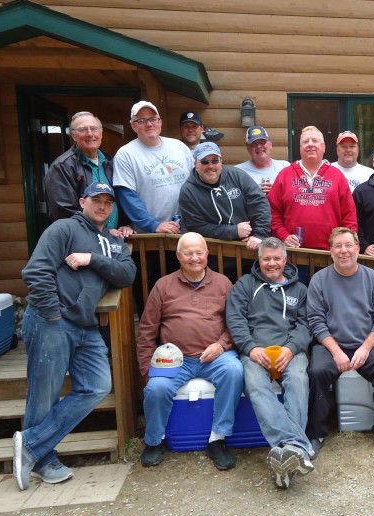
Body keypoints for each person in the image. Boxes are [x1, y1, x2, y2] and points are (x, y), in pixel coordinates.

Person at [14, 182, 136, 491]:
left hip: (86, 325)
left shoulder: (116, 242)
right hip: (50, 320)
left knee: (97, 386)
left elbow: (127, 274)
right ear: (82, 201)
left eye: (108, 202)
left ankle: (31, 443)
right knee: (45, 393)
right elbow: (36, 271)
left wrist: (92, 259)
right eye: (96, 200)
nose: (102, 206)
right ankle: (44, 460)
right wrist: (52, 312)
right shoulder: (63, 229)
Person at [136, 232, 243, 470]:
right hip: (174, 360)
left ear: (207, 254)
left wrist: (221, 345)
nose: (194, 258)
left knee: (234, 371)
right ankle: (155, 440)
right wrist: (147, 369)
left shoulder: (223, 283)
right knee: (155, 388)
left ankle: (218, 438)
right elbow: (147, 330)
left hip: (215, 357)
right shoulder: (163, 286)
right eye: (188, 253)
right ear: (178, 256)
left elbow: (235, 324)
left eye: (199, 252)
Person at [225, 237, 313, 489]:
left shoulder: (300, 290)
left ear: (285, 260)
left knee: (298, 379)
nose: (272, 263)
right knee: (253, 383)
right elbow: (235, 319)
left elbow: (305, 325)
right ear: (259, 260)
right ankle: (297, 447)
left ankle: (286, 453)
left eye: (277, 259)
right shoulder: (245, 285)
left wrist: (291, 348)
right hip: (255, 351)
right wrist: (251, 348)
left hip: (289, 350)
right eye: (267, 259)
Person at [305, 227, 374, 457]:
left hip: (366, 342)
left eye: (348, 245)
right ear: (331, 251)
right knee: (316, 371)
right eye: (338, 246)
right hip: (330, 344)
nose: (343, 251)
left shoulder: (373, 278)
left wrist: (366, 348)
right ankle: (316, 433)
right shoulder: (319, 280)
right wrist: (337, 352)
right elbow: (316, 321)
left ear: (358, 248)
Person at [44, 111, 134, 239]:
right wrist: (102, 232)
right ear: (73, 135)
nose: (90, 134)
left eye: (94, 129)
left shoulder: (111, 162)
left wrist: (126, 224)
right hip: (81, 242)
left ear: (101, 134)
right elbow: (64, 211)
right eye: (82, 130)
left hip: (116, 239)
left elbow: (122, 195)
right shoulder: (61, 167)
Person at [267, 126, 357, 250]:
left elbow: (349, 217)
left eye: (314, 141)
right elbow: (273, 213)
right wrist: (284, 236)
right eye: (305, 142)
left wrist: (346, 246)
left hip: (330, 254)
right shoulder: (285, 175)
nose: (310, 145)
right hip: (293, 252)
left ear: (323, 146)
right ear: (300, 148)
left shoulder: (337, 176)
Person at [112, 101, 193, 234]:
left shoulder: (179, 147)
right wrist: (153, 225)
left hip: (185, 230)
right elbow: (127, 196)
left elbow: (195, 183)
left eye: (153, 119)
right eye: (142, 120)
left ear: (160, 122)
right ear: (133, 126)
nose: (149, 124)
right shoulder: (125, 154)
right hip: (150, 236)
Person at [179, 142, 270, 251]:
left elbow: (260, 204)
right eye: (204, 162)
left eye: (215, 161)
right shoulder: (188, 191)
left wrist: (258, 235)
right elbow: (195, 227)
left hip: (249, 248)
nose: (210, 166)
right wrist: (233, 231)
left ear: (221, 161)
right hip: (213, 254)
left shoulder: (238, 176)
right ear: (195, 163)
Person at [235, 126, 291, 194]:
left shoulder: (284, 167)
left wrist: (276, 191)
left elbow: (294, 193)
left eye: (262, 142)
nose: (259, 146)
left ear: (270, 145)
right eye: (254, 144)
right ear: (248, 149)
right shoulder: (238, 172)